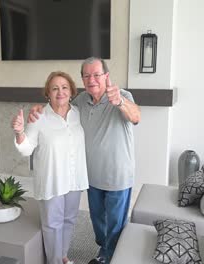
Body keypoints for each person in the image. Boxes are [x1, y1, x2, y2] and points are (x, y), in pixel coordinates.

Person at [28, 57, 141, 264]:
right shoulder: (80, 101)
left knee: (115, 224)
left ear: (106, 76)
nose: (92, 79)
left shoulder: (121, 96)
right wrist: (39, 110)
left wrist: (121, 102)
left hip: (117, 176)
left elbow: (136, 117)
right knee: (98, 223)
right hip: (90, 177)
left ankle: (108, 257)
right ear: (82, 79)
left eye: (97, 74)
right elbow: (58, 106)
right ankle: (104, 249)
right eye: (87, 75)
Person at [11, 71, 89, 264]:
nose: (60, 92)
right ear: (48, 93)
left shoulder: (78, 113)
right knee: (53, 224)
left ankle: (62, 256)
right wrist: (20, 132)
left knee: (69, 220)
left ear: (71, 91)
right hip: (52, 179)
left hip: (74, 178)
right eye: (54, 88)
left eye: (64, 87)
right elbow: (26, 148)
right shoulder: (39, 117)